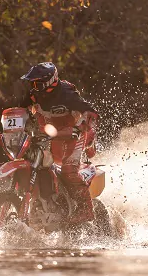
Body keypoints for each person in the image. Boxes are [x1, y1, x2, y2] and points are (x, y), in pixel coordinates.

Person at [20, 62, 98, 225]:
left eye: (36, 83)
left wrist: (81, 128)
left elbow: (89, 112)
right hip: (47, 137)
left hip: (73, 136)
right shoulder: (33, 95)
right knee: (31, 163)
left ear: (49, 82)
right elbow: (19, 111)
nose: (33, 86)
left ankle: (86, 209)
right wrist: (9, 131)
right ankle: (38, 205)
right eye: (31, 83)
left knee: (69, 171)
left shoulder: (67, 94)